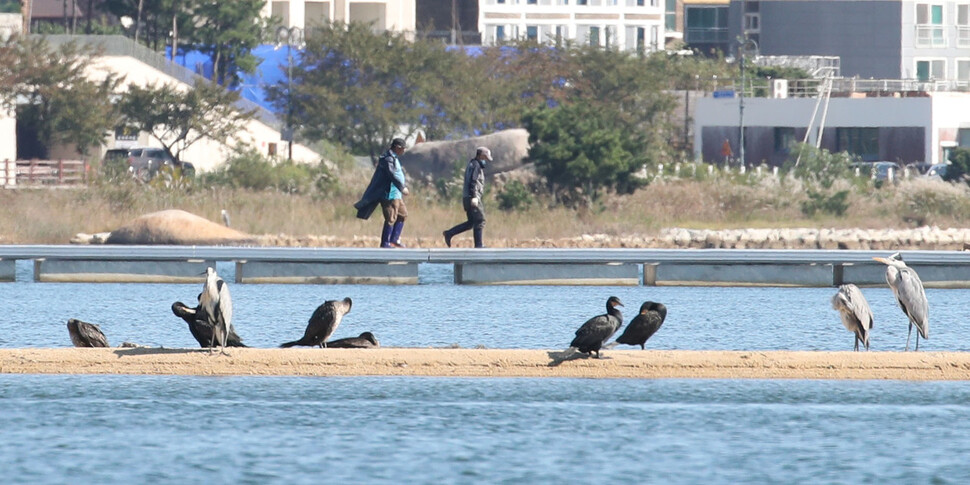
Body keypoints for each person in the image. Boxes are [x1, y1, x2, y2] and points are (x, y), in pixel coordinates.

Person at [354, 138, 409, 248]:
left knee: (403, 215)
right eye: (403, 149)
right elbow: (392, 175)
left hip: (397, 194)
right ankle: (385, 243)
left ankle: (394, 240)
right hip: (389, 194)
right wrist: (402, 188)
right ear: (397, 148)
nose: (404, 151)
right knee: (391, 218)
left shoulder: (394, 158)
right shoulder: (388, 159)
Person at [443, 147, 490, 248]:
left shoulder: (472, 164)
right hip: (472, 197)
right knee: (480, 220)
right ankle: (479, 245)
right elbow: (473, 181)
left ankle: (449, 233)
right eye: (485, 158)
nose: (485, 161)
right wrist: (474, 197)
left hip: (466, 197)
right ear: (480, 156)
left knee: (471, 223)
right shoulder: (476, 166)